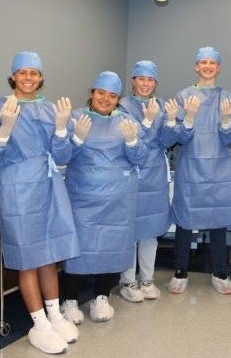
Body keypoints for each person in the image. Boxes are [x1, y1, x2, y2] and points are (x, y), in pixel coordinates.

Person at [0, 51, 79, 354]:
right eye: (22, 72)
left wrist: (62, 129)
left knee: (48, 253)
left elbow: (63, 157)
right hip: (15, 188)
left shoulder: (50, 109)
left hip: (48, 185)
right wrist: (4, 130)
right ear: (13, 76)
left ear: (41, 77)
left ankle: (54, 315)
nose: (28, 78)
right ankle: (38, 324)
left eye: (33, 73)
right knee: (27, 257)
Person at [61, 71, 148, 324]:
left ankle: (101, 296)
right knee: (79, 250)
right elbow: (61, 155)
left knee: (111, 248)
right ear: (92, 93)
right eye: (101, 93)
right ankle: (70, 301)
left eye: (112, 95)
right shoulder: (76, 118)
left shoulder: (127, 122)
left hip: (117, 199)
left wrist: (133, 142)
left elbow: (140, 158)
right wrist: (75, 138)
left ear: (117, 98)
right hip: (82, 197)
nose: (106, 99)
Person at [164, 46, 231, 295]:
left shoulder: (228, 98)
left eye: (212, 63)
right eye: (203, 62)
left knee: (218, 221)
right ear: (196, 66)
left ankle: (219, 272)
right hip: (191, 166)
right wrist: (188, 119)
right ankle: (180, 271)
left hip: (218, 168)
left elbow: (230, 139)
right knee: (185, 219)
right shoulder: (184, 96)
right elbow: (180, 137)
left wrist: (227, 121)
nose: (207, 66)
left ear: (219, 68)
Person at [117, 61, 179, 302]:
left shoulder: (162, 106)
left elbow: (166, 141)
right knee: (131, 229)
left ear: (155, 83)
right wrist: (146, 122)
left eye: (150, 79)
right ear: (133, 81)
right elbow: (129, 141)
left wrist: (172, 121)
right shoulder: (122, 107)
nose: (145, 84)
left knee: (151, 230)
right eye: (140, 78)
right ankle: (128, 281)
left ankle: (147, 279)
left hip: (154, 173)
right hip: (132, 172)